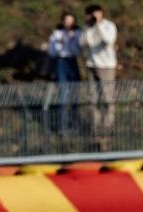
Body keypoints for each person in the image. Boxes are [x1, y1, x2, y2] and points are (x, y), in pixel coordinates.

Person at [81, 3, 118, 140]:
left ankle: (108, 128)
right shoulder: (88, 28)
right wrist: (87, 27)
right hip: (92, 65)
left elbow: (108, 41)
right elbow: (84, 43)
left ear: (101, 13)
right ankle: (96, 129)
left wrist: (98, 26)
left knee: (108, 98)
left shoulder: (109, 26)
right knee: (93, 99)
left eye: (96, 12)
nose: (94, 15)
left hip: (107, 66)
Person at [47, 12, 82, 134]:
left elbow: (78, 52)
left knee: (75, 94)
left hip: (72, 62)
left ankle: (74, 124)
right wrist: (60, 43)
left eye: (71, 21)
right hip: (60, 63)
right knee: (63, 94)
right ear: (62, 21)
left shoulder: (78, 33)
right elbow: (51, 52)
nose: (69, 23)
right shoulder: (56, 34)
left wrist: (72, 40)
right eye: (67, 21)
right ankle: (62, 126)